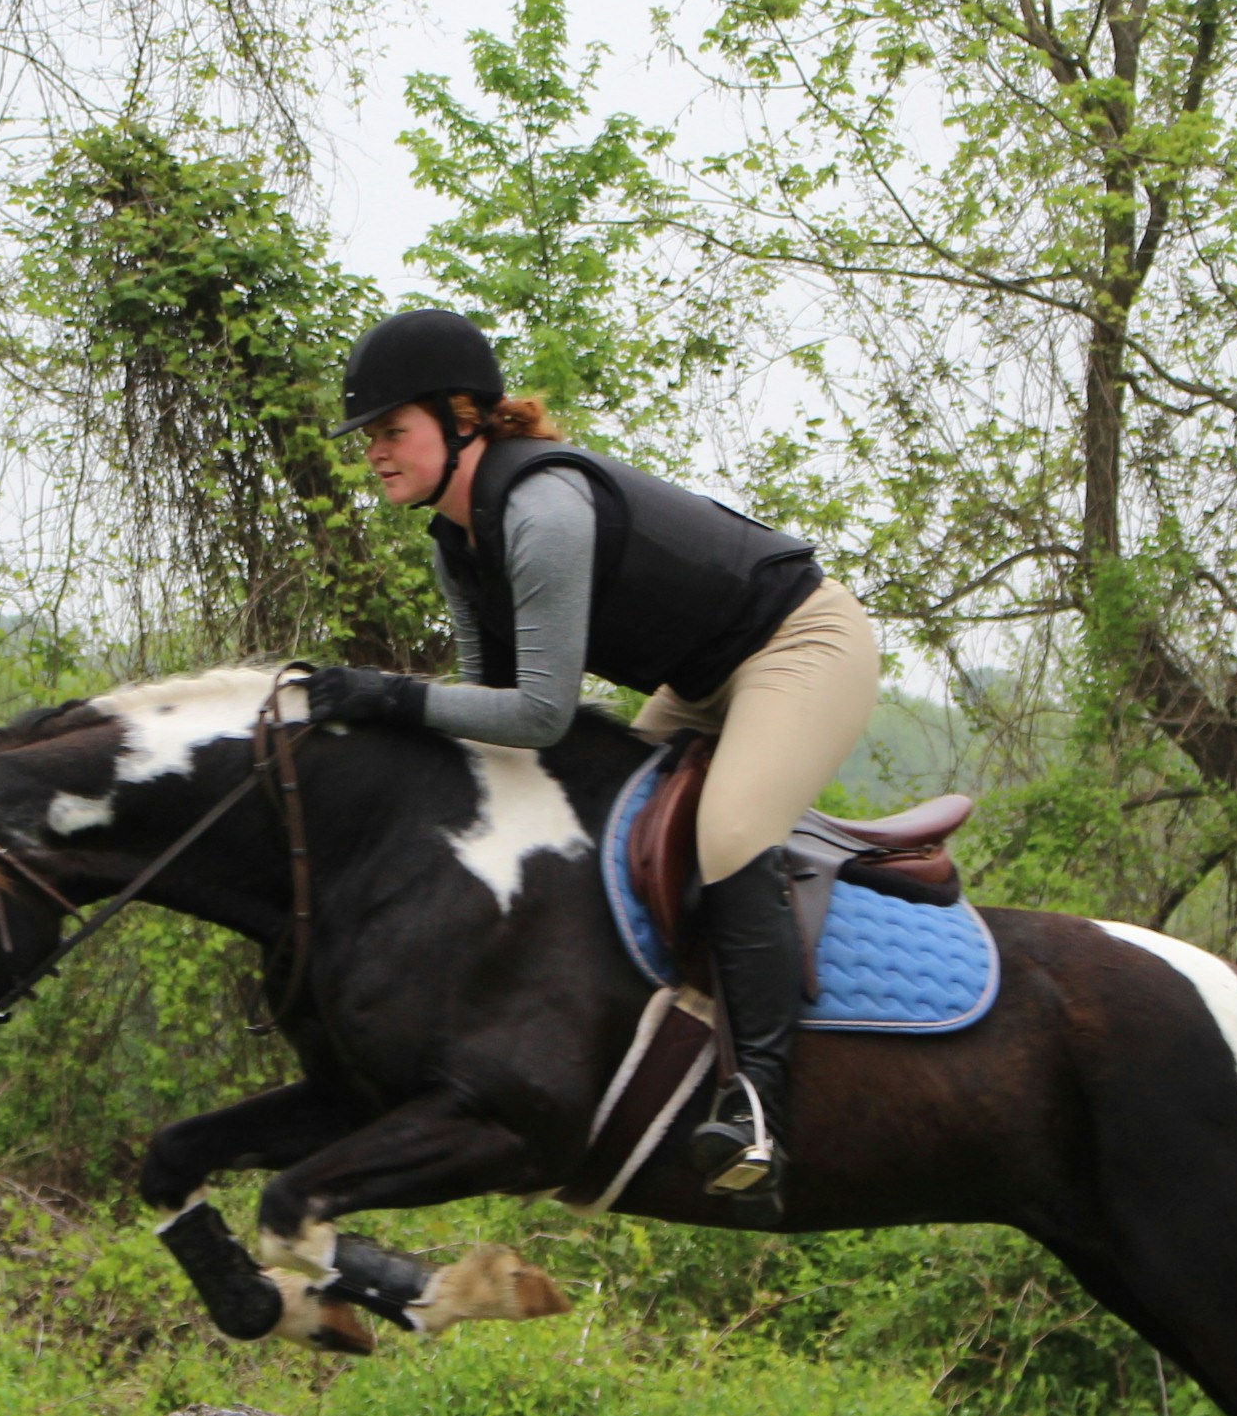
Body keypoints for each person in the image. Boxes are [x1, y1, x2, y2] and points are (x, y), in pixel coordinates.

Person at [300, 306, 879, 1220]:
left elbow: (538, 713)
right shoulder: (459, 539)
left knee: (728, 831)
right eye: (370, 436)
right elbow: (486, 717)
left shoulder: (542, 511)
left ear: (460, 420)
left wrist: (384, 695)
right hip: (700, 679)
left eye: (391, 430)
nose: (375, 451)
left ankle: (759, 1105)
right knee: (608, 828)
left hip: (802, 644)